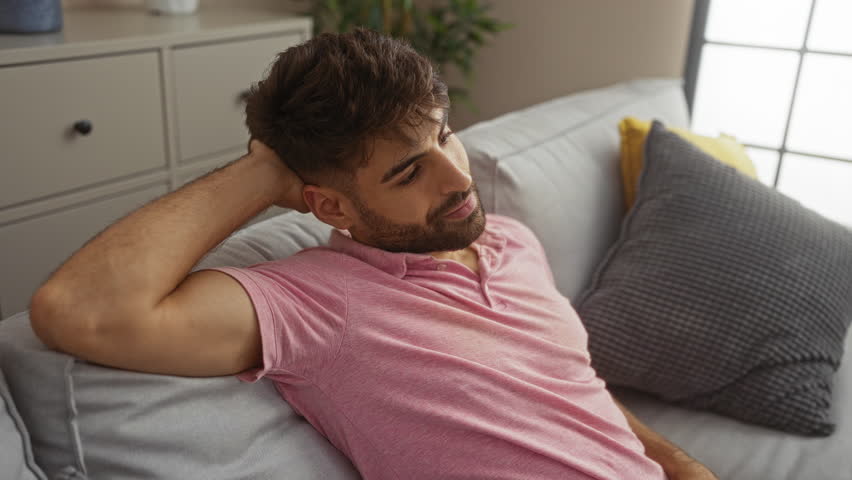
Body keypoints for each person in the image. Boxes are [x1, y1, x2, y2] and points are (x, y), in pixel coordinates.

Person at [29, 29, 717, 480]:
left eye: (445, 136)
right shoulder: (315, 304)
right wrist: (265, 171)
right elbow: (78, 311)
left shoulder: (510, 242)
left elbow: (567, 385)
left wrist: (676, 462)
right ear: (328, 205)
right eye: (407, 172)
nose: (457, 177)